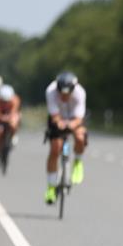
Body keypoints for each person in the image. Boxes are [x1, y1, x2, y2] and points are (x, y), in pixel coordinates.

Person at [44, 72, 87, 204]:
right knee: (55, 149)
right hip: (58, 118)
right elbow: (54, 115)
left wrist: (71, 125)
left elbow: (79, 118)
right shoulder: (50, 91)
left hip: (74, 119)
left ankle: (78, 163)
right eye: (61, 93)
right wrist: (60, 124)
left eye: (67, 94)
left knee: (80, 137)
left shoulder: (80, 92)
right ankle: (51, 187)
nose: (64, 96)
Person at [0, 84, 21, 167]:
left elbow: (14, 112)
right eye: (3, 101)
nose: (5, 103)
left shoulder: (15, 100)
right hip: (0, 118)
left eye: (7, 101)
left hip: (10, 116)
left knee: (14, 123)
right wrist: (3, 118)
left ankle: (13, 136)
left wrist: (8, 118)